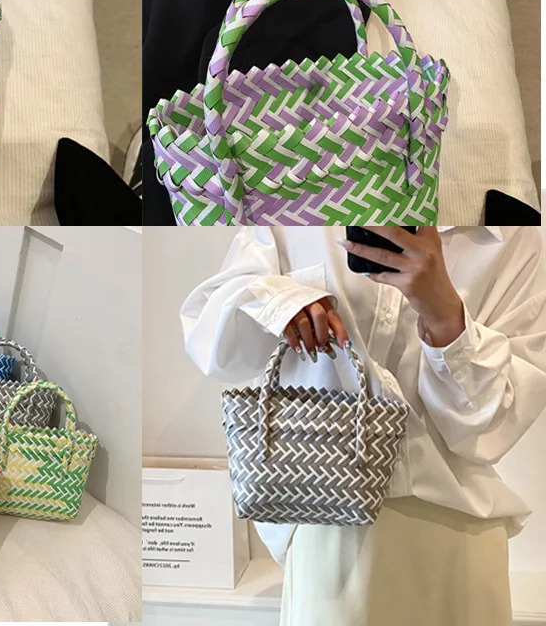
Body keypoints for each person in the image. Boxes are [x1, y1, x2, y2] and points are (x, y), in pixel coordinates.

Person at [181, 226, 546, 626]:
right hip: (329, 530)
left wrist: (445, 316)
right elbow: (212, 342)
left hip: (461, 536)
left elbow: (492, 428)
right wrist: (279, 302)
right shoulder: (294, 207)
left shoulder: (509, 231)